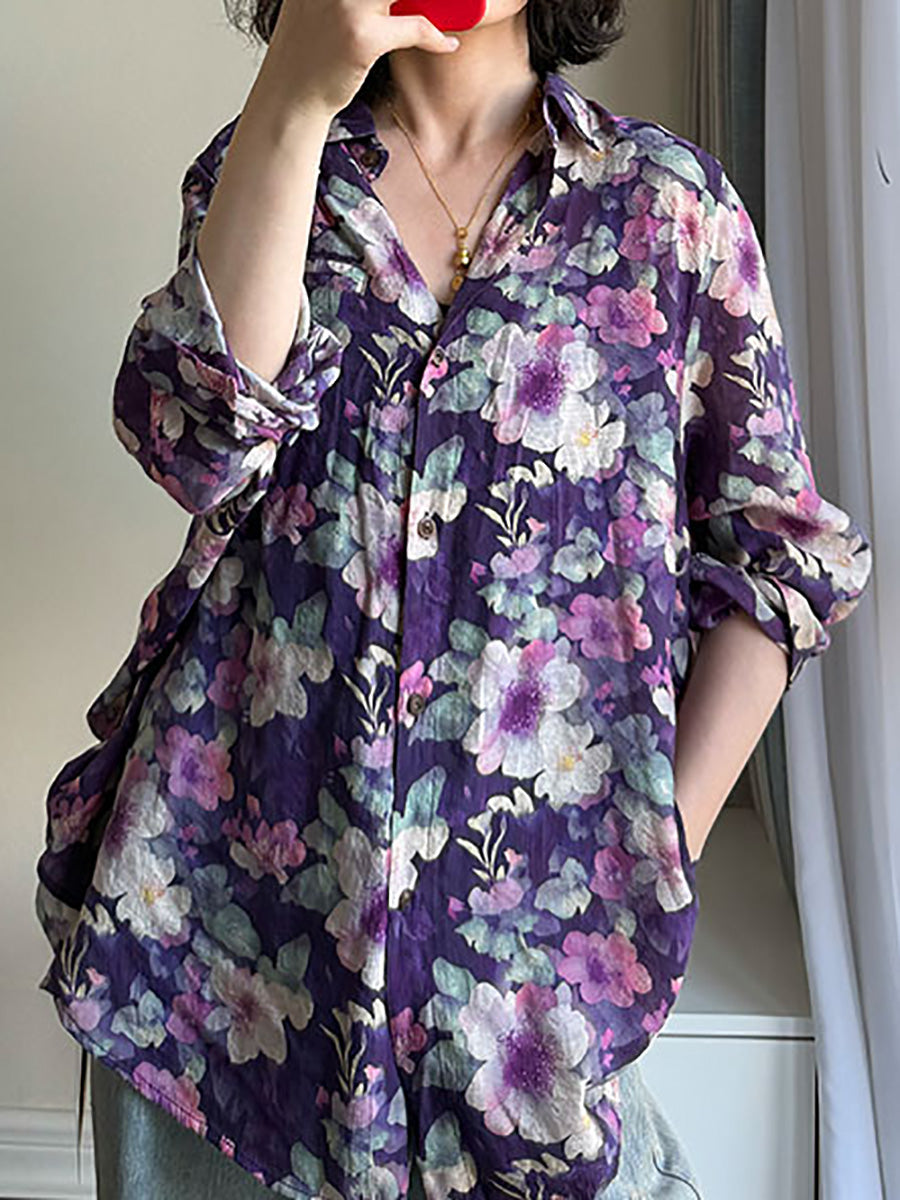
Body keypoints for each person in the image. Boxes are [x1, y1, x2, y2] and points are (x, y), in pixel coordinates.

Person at [33, 0, 873, 1196]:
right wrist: (295, 93)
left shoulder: (668, 211)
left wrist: (651, 851)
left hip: (521, 1005)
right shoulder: (267, 167)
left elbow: (776, 563)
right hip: (218, 970)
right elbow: (197, 446)